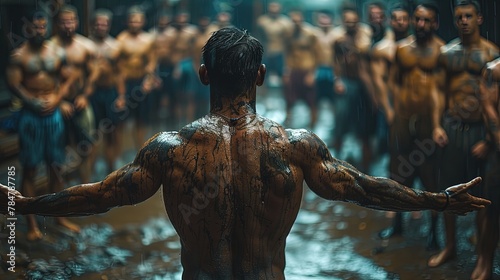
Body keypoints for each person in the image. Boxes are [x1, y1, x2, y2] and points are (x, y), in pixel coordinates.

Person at [0, 27, 490, 279]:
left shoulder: (169, 149)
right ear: (260, 76)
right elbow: (365, 190)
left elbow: (101, 196)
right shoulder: (295, 146)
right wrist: (441, 200)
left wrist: (25, 205)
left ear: (202, 74)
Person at [428, 0, 500, 269]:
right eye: (459, 17)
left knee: (482, 194)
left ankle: (483, 253)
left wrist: (490, 139)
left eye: (469, 16)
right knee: (447, 190)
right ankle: (449, 247)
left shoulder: (492, 54)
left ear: (479, 18)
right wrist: (437, 125)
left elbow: (496, 103)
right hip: (453, 128)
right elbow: (438, 92)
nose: (464, 21)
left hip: (482, 132)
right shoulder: (447, 53)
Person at [5, 11, 79, 240]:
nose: (39, 30)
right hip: (31, 117)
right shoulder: (19, 55)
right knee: (30, 168)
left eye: (42, 26)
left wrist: (58, 98)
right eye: (34, 27)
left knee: (56, 166)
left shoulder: (56, 52)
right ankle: (32, 224)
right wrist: (31, 101)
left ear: (47, 27)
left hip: (54, 116)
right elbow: (14, 85)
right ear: (27, 29)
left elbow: (69, 77)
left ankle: (59, 217)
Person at [376, 2, 444, 250]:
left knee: (431, 174)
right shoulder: (402, 50)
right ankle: (397, 225)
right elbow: (393, 81)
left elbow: (441, 90)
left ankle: (434, 233)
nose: (421, 24)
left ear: (435, 23)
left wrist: (439, 123)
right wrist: (392, 111)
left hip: (427, 121)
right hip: (403, 119)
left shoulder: (442, 51)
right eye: (418, 19)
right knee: (398, 172)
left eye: (427, 20)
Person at [51, 5, 99, 185]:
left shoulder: (86, 46)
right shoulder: (50, 48)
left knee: (87, 145)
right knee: (58, 151)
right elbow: (47, 80)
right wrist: (60, 101)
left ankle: (85, 188)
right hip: (57, 105)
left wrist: (85, 96)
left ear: (77, 22)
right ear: (57, 24)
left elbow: (93, 75)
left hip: (80, 102)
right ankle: (59, 194)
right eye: (64, 22)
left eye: (71, 21)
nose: (68, 25)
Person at [330, 3, 374, 171]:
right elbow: (335, 61)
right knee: (341, 118)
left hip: (363, 83)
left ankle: (366, 165)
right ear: (343, 21)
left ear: (358, 21)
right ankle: (336, 164)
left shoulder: (365, 35)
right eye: (348, 21)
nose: (351, 24)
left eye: (354, 21)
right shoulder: (339, 39)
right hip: (347, 82)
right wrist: (337, 80)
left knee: (364, 124)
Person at [88, 9, 126, 175]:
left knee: (112, 131)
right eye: (98, 23)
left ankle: (112, 167)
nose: (101, 26)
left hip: (110, 93)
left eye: (104, 23)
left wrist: (122, 96)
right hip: (93, 94)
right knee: (92, 134)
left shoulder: (115, 46)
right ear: (92, 25)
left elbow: (119, 73)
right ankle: (93, 168)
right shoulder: (86, 46)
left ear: (108, 25)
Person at [116, 5, 158, 151]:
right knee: (121, 121)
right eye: (132, 21)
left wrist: (149, 80)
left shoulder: (148, 40)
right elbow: (118, 69)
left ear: (143, 22)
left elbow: (152, 62)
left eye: (137, 21)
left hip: (142, 83)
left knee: (142, 121)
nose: (135, 23)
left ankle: (140, 153)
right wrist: (121, 94)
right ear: (127, 22)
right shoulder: (120, 40)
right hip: (126, 83)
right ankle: (118, 156)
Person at [283, 9, 322, 129]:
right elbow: (287, 52)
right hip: (294, 70)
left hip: (307, 70)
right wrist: (287, 71)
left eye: (298, 20)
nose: (296, 23)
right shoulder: (289, 34)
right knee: (289, 98)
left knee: (311, 99)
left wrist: (313, 73)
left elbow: (318, 54)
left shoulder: (310, 33)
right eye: (293, 21)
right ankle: (288, 120)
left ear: (302, 19)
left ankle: (313, 123)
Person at [255, 2, 292, 87]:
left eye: (276, 7)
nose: (274, 9)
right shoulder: (262, 21)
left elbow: (288, 41)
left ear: (280, 9)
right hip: (267, 52)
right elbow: (258, 37)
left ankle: (284, 97)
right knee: (263, 76)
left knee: (283, 76)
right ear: (268, 8)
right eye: (272, 7)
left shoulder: (286, 22)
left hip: (280, 52)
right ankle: (263, 97)